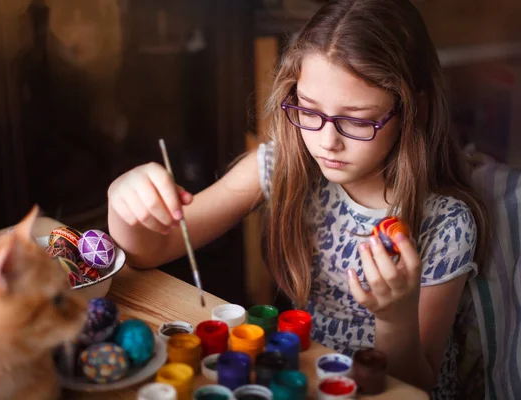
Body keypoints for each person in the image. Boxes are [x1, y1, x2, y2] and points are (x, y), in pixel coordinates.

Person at [106, 0, 489, 398]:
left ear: (413, 108)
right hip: (304, 379)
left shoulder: (446, 223)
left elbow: (411, 384)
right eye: (308, 110)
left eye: (356, 120)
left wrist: (394, 319)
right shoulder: (280, 167)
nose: (327, 142)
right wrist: (123, 203)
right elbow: (150, 250)